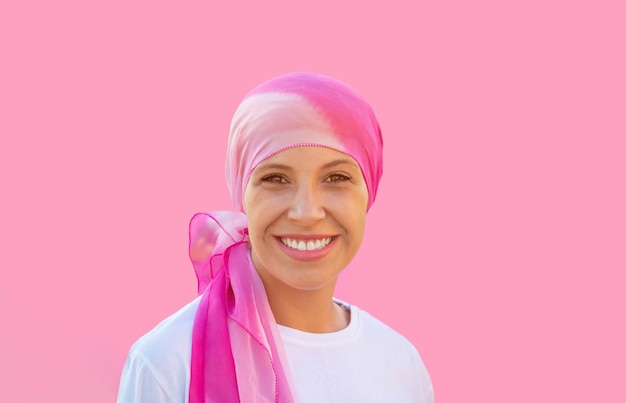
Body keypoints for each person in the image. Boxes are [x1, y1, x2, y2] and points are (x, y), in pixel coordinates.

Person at [117, 72, 433, 402]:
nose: (307, 212)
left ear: (368, 192)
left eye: (336, 177)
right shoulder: (168, 362)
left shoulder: (401, 365)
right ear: (242, 194)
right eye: (276, 178)